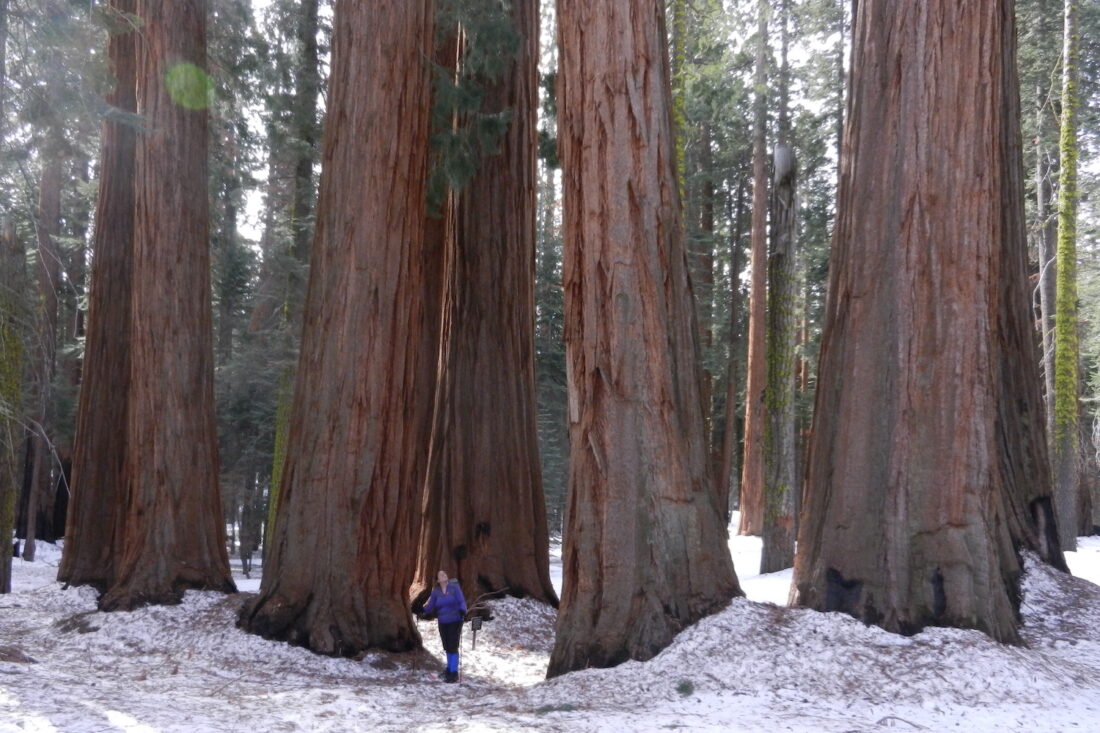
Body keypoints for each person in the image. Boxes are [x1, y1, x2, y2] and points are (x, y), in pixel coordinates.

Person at [421, 570, 467, 682]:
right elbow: (430, 606)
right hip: (442, 622)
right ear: (438, 580)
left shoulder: (454, 589)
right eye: (440, 575)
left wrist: (463, 610)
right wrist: (421, 610)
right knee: (447, 646)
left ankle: (453, 672)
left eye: (444, 574)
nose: (443, 575)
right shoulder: (436, 592)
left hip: (455, 620)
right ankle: (448, 669)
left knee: (453, 645)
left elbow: (461, 601)